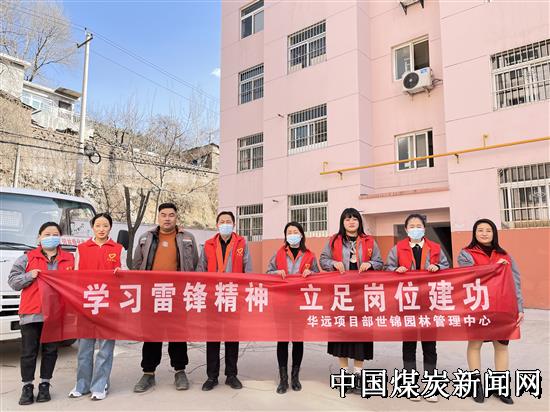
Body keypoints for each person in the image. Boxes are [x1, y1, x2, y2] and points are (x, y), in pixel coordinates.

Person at [132, 203, 199, 393]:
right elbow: (137, 264)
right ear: (158, 217)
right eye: (163, 215)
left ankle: (180, 371)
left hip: (177, 295)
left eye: (171, 215)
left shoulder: (187, 238)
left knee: (177, 334)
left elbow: (194, 263)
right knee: (151, 334)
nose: (167, 218)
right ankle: (148, 373)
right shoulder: (146, 238)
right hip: (152, 294)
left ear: (176, 217)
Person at [457, 218, 524, 405]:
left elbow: (515, 282)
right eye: (480, 230)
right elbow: (468, 274)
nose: (484, 233)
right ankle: (475, 385)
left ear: (494, 233)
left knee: (501, 346)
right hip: (477, 307)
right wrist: (495, 268)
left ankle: (500, 387)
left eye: (488, 230)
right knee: (475, 344)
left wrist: (519, 307)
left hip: (502, 307)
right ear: (474, 233)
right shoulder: (466, 253)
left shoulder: (505, 255)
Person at [385, 213, 450, 403]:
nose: (415, 229)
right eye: (411, 226)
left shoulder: (435, 248)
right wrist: (395, 270)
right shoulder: (397, 249)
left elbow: (446, 267)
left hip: (430, 302)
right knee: (409, 344)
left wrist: (438, 267)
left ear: (424, 228)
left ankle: (431, 387)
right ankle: (410, 385)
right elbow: (387, 269)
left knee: (429, 345)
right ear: (406, 229)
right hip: (408, 302)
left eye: (418, 226)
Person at [8, 222, 74, 405]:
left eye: (55, 234)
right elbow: (13, 282)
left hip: (55, 313)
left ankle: (45, 384)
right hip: (31, 312)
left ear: (60, 237)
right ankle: (27, 386)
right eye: (47, 234)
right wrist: (30, 275)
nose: (51, 237)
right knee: (28, 352)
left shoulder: (69, 259)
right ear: (39, 237)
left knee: (51, 351)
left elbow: (76, 282)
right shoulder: (27, 258)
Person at [319, 208, 383, 394]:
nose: (351, 222)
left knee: (361, 335)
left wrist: (370, 264)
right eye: (348, 219)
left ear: (359, 222)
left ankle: (358, 375)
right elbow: (323, 260)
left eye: (355, 219)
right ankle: (345, 376)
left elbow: (380, 263)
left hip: (363, 295)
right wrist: (333, 263)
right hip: (341, 295)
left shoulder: (369, 241)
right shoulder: (333, 241)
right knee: (342, 335)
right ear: (343, 222)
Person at [69, 213, 125, 400]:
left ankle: (100, 385)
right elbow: (75, 276)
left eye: (105, 225)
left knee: (105, 349)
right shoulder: (82, 248)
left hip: (109, 305)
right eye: (98, 225)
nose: (102, 229)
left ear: (110, 228)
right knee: (84, 348)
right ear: (92, 227)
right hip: (87, 303)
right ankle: (82, 384)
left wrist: (121, 272)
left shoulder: (118, 249)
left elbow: (126, 274)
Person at [197, 211, 252, 391]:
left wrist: (245, 294)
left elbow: (248, 269)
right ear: (217, 225)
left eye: (228, 221)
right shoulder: (208, 244)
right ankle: (212, 376)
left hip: (233, 296)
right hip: (213, 297)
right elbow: (201, 269)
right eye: (222, 221)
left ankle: (231, 375)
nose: (225, 224)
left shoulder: (242, 243)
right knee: (212, 338)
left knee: (232, 337)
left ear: (234, 225)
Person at [266, 221, 320, 394]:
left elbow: (318, 277)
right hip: (281, 303)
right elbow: (267, 273)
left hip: (301, 303)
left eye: (295, 231)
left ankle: (295, 377)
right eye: (289, 232)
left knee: (298, 340)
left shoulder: (310, 255)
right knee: (282, 340)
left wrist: (311, 274)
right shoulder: (278, 254)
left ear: (301, 234)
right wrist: (276, 273)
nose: (292, 235)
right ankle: (283, 379)